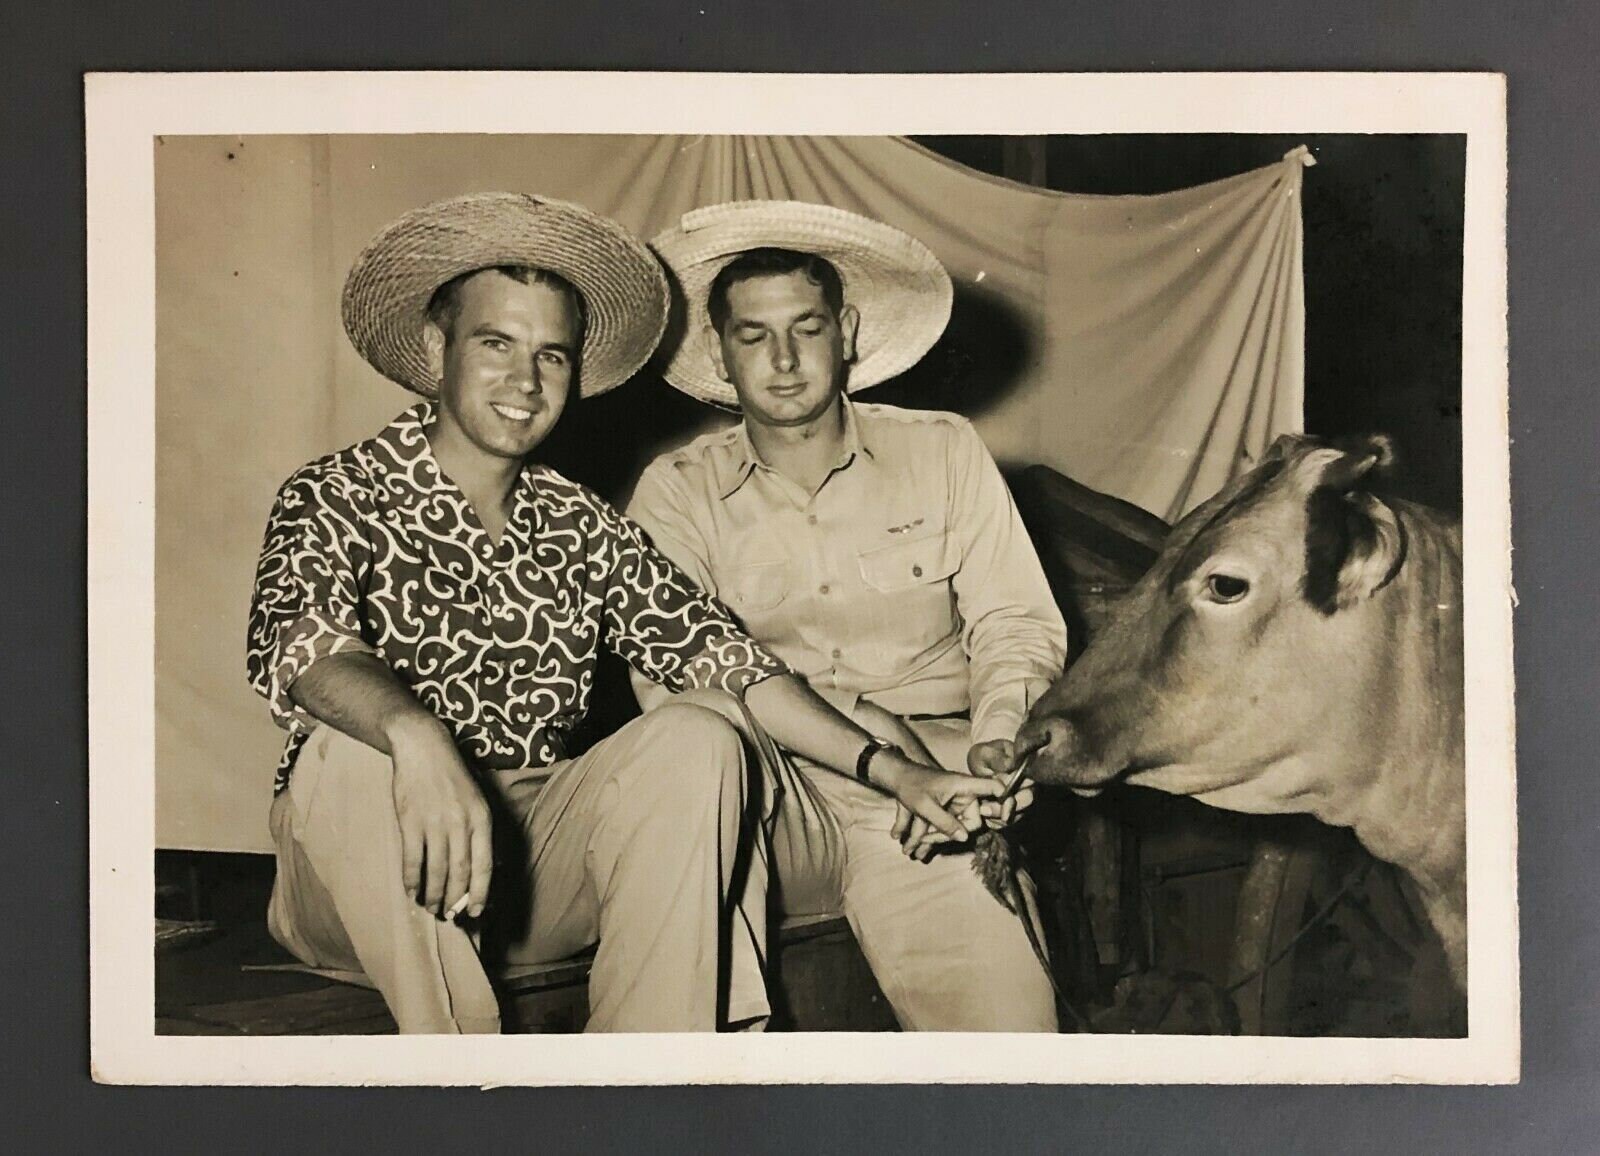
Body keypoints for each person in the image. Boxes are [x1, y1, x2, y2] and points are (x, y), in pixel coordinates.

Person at [245, 192, 1007, 1034]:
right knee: (349, 755)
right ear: (438, 347)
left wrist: (895, 770)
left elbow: (731, 663)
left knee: (700, 729)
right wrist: (413, 736)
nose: (525, 382)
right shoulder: (337, 491)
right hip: (358, 882)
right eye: (496, 344)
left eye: (553, 356)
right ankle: (461, 1091)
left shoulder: (580, 523)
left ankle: (648, 1081)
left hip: (526, 869)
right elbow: (301, 645)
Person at [626, 200, 1070, 1031]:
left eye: (808, 327)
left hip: (932, 792)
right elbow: (673, 691)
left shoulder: (942, 451)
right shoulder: (675, 492)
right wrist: (877, 742)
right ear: (720, 353)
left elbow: (1015, 619)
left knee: (1009, 1047)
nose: (784, 360)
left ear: (849, 332)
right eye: (753, 336)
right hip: (770, 796)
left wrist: (995, 742)